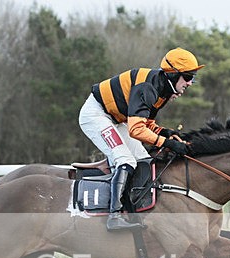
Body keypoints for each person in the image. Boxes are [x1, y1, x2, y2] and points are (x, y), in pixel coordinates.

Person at [79, 48, 204, 231]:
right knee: (126, 159)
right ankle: (113, 217)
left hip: (118, 119)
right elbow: (136, 130)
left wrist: (165, 133)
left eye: (193, 77)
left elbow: (146, 124)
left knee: (143, 159)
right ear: (173, 74)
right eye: (187, 76)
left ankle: (131, 210)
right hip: (96, 115)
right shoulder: (148, 88)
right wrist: (167, 143)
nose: (190, 82)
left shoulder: (162, 91)